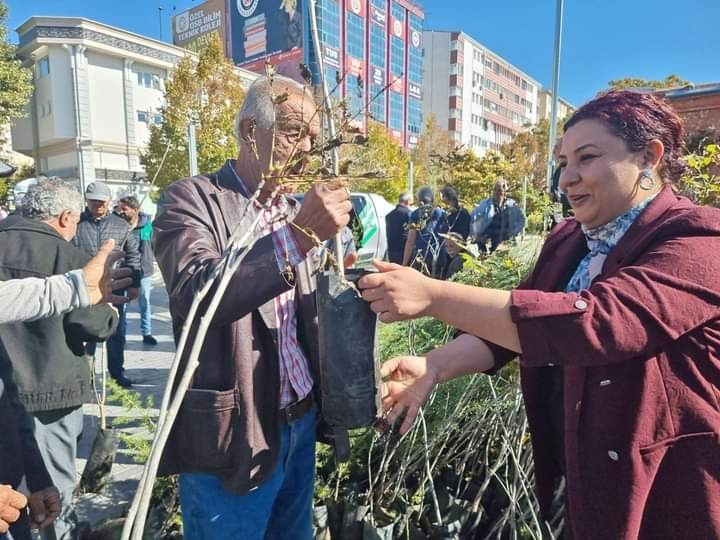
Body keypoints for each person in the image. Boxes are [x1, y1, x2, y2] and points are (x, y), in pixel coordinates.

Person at [358, 90, 720, 539]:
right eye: (563, 162)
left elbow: (597, 323)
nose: (567, 178)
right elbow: (519, 323)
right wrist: (435, 364)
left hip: (664, 485)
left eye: (586, 158)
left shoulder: (699, 240)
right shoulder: (570, 239)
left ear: (649, 156)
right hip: (579, 476)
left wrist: (433, 295)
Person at [152, 75, 353, 539]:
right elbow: (196, 296)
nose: (307, 150)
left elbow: (302, 324)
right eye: (292, 132)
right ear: (249, 131)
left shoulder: (292, 208)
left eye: (314, 140)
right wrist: (299, 237)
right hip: (233, 434)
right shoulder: (193, 199)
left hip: (298, 425)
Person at [0, 179, 118, 540]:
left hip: (8, 399)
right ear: (66, 216)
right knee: (51, 497)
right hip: (52, 395)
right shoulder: (70, 260)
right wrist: (107, 310)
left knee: (14, 496)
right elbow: (97, 326)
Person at [74, 181, 141, 387]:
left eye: (102, 202)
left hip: (114, 287)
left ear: (108, 201)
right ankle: (87, 375)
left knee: (116, 333)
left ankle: (116, 372)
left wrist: (134, 283)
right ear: (87, 200)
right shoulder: (76, 224)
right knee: (86, 334)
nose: (98, 205)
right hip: (84, 288)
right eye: (94, 201)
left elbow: (133, 256)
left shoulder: (121, 225)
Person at [116, 196, 158, 346]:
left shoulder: (146, 226)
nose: (121, 212)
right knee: (122, 304)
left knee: (144, 302)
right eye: (119, 208)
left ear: (135, 210)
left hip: (143, 271)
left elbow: (147, 249)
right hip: (122, 270)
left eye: (125, 209)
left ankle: (146, 332)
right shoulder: (119, 225)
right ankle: (121, 333)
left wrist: (142, 270)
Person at [470, 180, 525, 253]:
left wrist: (513, 233)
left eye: (499, 190)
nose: (496, 192)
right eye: (495, 189)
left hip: (504, 242)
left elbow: (522, 220)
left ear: (505, 192)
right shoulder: (485, 204)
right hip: (486, 241)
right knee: (484, 261)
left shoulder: (512, 205)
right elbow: (473, 219)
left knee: (502, 262)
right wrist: (477, 237)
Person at [402, 186, 445, 276]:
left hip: (422, 257)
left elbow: (410, 241)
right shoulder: (441, 213)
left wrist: (404, 264)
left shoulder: (416, 214)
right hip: (437, 257)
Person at [436, 186, 471, 279]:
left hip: (455, 246)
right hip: (451, 246)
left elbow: (463, 231)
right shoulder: (451, 212)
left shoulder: (459, 213)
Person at [385, 192, 413, 265]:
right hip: (404, 250)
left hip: (391, 249)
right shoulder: (409, 214)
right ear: (408, 201)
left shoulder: (389, 215)